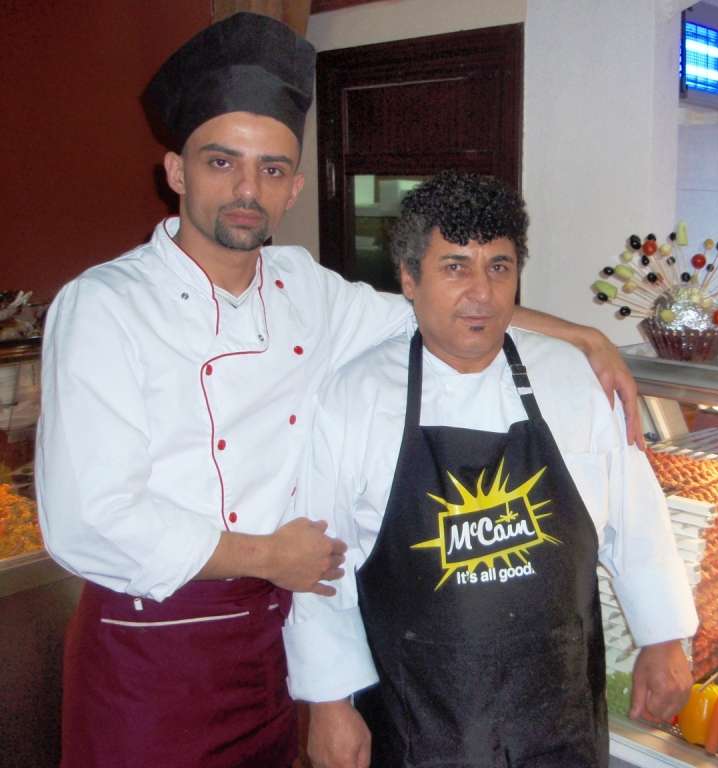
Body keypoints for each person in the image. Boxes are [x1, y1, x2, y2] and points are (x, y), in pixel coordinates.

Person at [35, 14, 639, 768]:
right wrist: (268, 554)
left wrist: (584, 337)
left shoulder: (304, 289)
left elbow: (440, 310)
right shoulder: (105, 306)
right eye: (222, 162)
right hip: (150, 651)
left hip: (270, 644)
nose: (248, 189)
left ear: (293, 186)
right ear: (177, 171)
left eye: (273, 169)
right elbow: (89, 519)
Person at [284, 171, 698, 768]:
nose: (481, 293)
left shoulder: (573, 378)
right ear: (409, 279)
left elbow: (638, 521)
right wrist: (329, 702)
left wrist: (663, 637)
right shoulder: (354, 396)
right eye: (455, 267)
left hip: (558, 722)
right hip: (418, 725)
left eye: (499, 267)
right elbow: (324, 564)